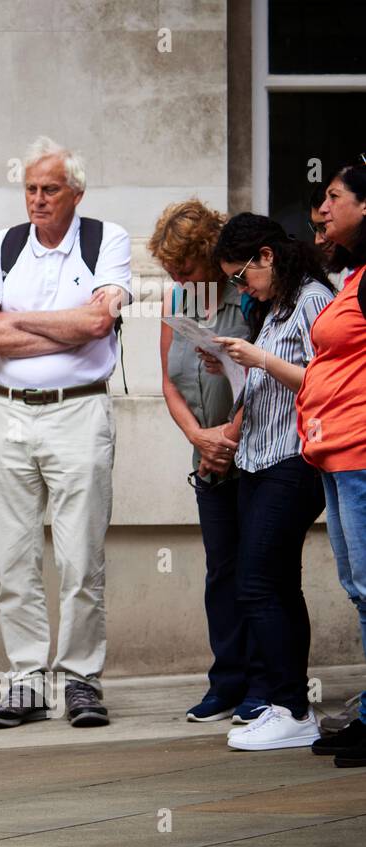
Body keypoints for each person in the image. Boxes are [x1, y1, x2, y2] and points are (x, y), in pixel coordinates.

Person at [0, 136, 131, 729]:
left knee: (81, 556)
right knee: (14, 557)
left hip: (79, 411)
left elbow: (96, 321)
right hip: (8, 410)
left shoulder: (104, 240)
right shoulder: (3, 245)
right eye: (31, 189)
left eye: (50, 189)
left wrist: (18, 318)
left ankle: (81, 678)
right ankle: (27, 680)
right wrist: (68, 327)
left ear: (75, 193)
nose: (37, 199)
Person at [203, 213, 333, 752]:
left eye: (241, 276)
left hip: (293, 458)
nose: (241, 287)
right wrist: (235, 366)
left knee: (258, 580)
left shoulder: (312, 300)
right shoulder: (276, 306)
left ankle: (291, 707)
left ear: (267, 256)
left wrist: (258, 357)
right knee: (274, 581)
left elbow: (324, 380)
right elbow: (273, 381)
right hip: (259, 457)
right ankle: (287, 705)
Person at [147, 199, 262, 722]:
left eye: (185, 267)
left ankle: (268, 683)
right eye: (170, 270)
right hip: (207, 456)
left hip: (255, 451)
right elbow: (168, 380)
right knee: (222, 571)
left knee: (261, 572)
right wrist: (199, 436)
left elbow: (266, 377)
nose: (177, 276)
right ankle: (227, 680)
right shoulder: (180, 298)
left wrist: (227, 437)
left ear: (211, 256)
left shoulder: (250, 299)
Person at [298, 158, 366, 763]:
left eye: (333, 196)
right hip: (339, 454)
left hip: (362, 453)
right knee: (357, 586)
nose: (322, 208)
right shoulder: (352, 275)